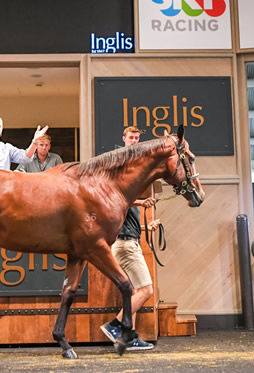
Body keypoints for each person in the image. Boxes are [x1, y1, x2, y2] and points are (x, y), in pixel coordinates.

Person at [100, 126, 160, 351]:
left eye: (137, 138)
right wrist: (139, 202)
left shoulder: (134, 178)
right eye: (131, 138)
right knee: (146, 291)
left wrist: (147, 226)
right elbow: (117, 198)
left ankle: (129, 337)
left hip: (127, 241)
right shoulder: (120, 169)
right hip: (125, 245)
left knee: (133, 293)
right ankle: (115, 325)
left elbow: (128, 218)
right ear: (124, 139)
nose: (135, 141)